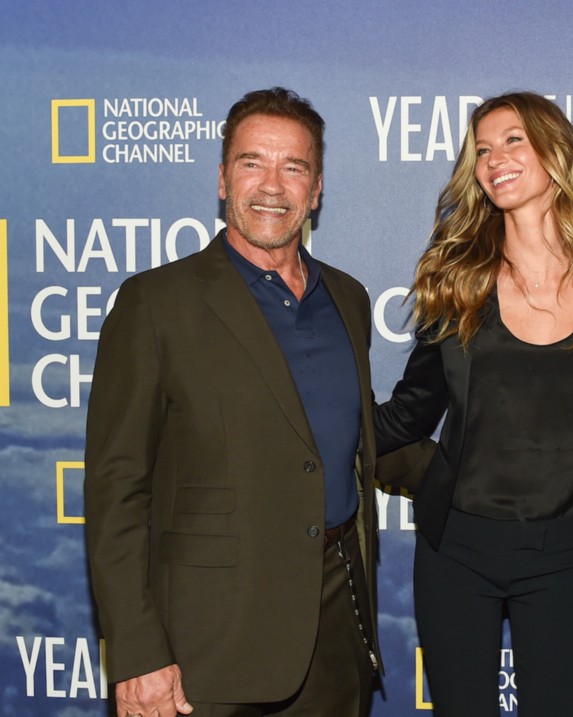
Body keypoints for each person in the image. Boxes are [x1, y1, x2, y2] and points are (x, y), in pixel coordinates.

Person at [86, 87, 383, 717]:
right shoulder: (154, 304)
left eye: (293, 167)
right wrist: (137, 654)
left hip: (335, 632)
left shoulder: (350, 301)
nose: (271, 186)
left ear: (317, 188)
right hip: (208, 649)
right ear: (223, 180)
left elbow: (351, 439)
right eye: (252, 163)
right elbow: (115, 492)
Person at [374, 91, 573, 716]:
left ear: (555, 152)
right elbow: (409, 414)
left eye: (512, 141)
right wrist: (307, 412)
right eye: (481, 149)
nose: (493, 159)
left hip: (570, 551)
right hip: (458, 550)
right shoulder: (458, 279)